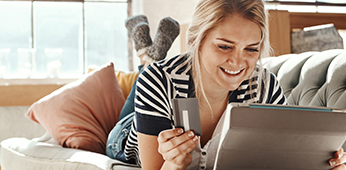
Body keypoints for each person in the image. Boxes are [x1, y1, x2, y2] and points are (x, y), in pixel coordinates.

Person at [119, 0, 346, 169]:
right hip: (125, 137)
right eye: (224, 47)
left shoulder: (265, 85)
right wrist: (172, 164)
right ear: (194, 42)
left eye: (251, 49)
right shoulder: (158, 81)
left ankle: (148, 59)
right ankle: (148, 62)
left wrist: (328, 164)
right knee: (147, 76)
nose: (238, 62)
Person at [106, 14, 180, 163]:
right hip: (125, 137)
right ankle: (148, 57)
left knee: (147, 96)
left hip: (124, 135)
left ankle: (148, 57)